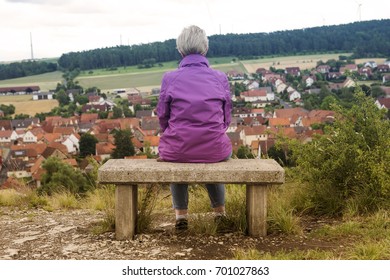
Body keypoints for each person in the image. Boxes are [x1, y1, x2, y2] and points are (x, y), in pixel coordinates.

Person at [157, 25, 232, 232]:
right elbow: (227, 118)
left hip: (178, 147)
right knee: (212, 155)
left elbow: (162, 116)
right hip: (214, 147)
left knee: (177, 157)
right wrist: (212, 132)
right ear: (205, 50)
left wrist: (171, 133)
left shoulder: (169, 78)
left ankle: (181, 216)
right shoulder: (220, 77)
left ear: (180, 51)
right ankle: (220, 213)